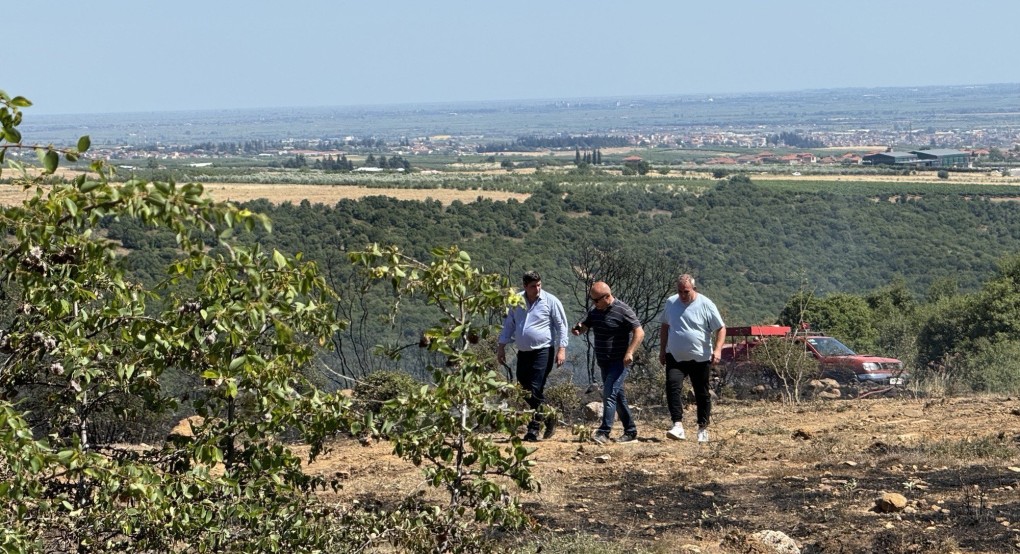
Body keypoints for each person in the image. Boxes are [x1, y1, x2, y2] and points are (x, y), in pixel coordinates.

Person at [497, 271, 568, 441]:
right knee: (523, 388)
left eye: (538, 285)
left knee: (536, 387)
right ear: (525, 286)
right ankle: (549, 416)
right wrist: (501, 347)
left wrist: (562, 348)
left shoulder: (550, 301)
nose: (536, 289)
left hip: (543, 350)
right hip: (523, 352)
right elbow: (509, 325)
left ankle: (533, 429)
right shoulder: (517, 301)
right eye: (532, 286)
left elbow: (562, 325)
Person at [572, 281, 644, 444]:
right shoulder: (596, 311)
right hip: (604, 361)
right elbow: (586, 325)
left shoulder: (623, 310)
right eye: (592, 300)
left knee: (609, 393)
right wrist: (578, 328)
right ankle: (630, 431)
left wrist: (630, 352)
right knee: (617, 397)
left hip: (619, 362)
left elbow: (639, 332)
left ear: (607, 297)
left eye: (596, 300)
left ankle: (603, 432)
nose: (594, 303)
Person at [658, 274, 726, 443]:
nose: (682, 295)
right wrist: (662, 350)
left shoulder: (706, 304)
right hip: (675, 356)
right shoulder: (671, 302)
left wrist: (717, 350)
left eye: (686, 292)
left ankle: (702, 428)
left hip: (700, 358)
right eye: (679, 291)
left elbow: (721, 328)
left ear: (694, 289)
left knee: (701, 393)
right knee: (672, 387)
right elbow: (665, 326)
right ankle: (677, 425)